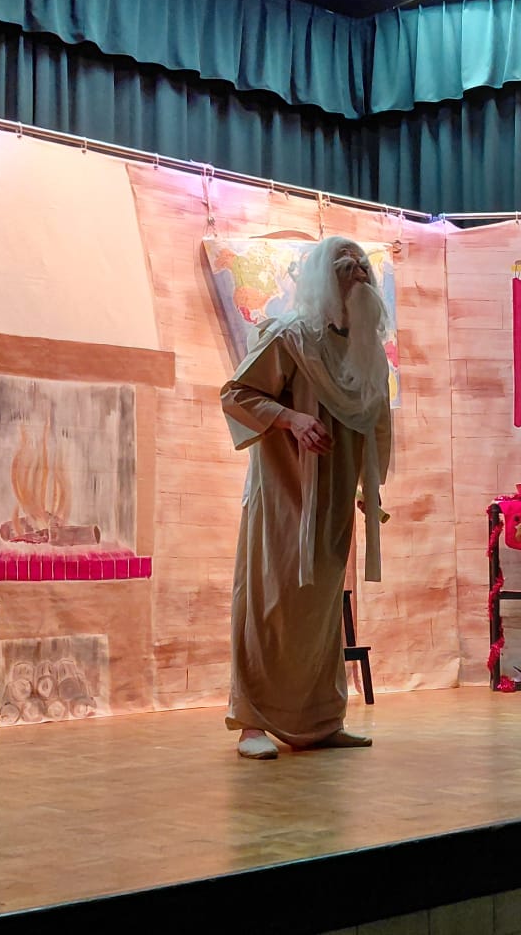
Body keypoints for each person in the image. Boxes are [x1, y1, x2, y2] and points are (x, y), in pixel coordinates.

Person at [220, 237, 394, 760]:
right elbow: (237, 394)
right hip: (285, 495)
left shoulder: (365, 351)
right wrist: (291, 419)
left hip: (334, 500)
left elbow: (375, 423)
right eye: (346, 268)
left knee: (319, 614)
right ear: (323, 279)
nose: (359, 276)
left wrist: (368, 489)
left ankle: (319, 721)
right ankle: (252, 721)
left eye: (363, 268)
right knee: (270, 603)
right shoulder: (291, 337)